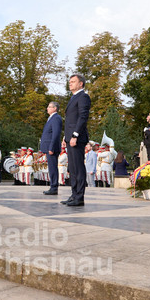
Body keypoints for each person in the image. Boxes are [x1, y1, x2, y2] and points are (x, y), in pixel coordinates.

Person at [61, 74, 91, 206]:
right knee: (72, 168)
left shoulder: (83, 97)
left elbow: (83, 117)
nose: (70, 83)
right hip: (70, 137)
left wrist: (75, 135)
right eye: (70, 82)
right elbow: (70, 120)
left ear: (81, 84)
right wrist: (65, 137)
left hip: (77, 138)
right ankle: (74, 195)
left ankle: (79, 197)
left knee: (78, 167)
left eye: (73, 82)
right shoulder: (73, 97)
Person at [40, 101, 62, 195]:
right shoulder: (51, 118)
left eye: (49, 107)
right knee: (51, 167)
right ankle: (53, 186)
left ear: (55, 108)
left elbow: (56, 134)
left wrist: (51, 147)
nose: (47, 108)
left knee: (53, 168)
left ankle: (54, 187)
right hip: (49, 146)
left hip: (51, 147)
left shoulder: (56, 118)